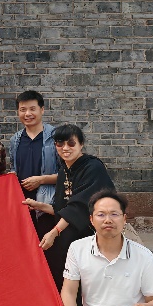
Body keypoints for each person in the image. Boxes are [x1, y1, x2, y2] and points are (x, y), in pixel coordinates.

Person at [22, 124, 115, 292]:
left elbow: (79, 207)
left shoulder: (93, 168)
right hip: (73, 226)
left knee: (61, 246)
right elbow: (62, 208)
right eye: (60, 143)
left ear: (81, 144)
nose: (65, 148)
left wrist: (55, 232)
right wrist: (39, 206)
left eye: (71, 143)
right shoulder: (64, 169)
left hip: (94, 229)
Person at [8, 90, 60, 238]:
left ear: (42, 110)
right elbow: (14, 168)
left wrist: (41, 180)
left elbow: (68, 174)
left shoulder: (55, 137)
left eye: (32, 109)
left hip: (49, 203)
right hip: (23, 205)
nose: (27, 114)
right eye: (23, 110)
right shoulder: (15, 140)